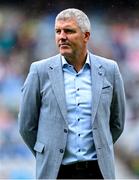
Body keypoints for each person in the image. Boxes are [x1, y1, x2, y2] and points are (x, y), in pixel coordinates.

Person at [18, 8, 126, 179]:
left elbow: (117, 123)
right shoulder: (39, 71)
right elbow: (26, 126)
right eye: (58, 31)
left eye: (68, 31)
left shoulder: (109, 69)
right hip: (56, 172)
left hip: (98, 172)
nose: (62, 36)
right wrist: (48, 154)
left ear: (86, 36)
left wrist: (100, 147)